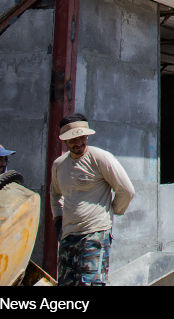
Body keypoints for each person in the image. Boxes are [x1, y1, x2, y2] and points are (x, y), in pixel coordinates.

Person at [50, 113, 135, 286]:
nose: (79, 143)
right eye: (73, 140)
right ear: (64, 141)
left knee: (91, 284)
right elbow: (55, 194)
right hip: (68, 235)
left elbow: (126, 190)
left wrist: (112, 211)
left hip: (94, 234)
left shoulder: (100, 158)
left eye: (83, 138)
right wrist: (58, 219)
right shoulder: (59, 165)